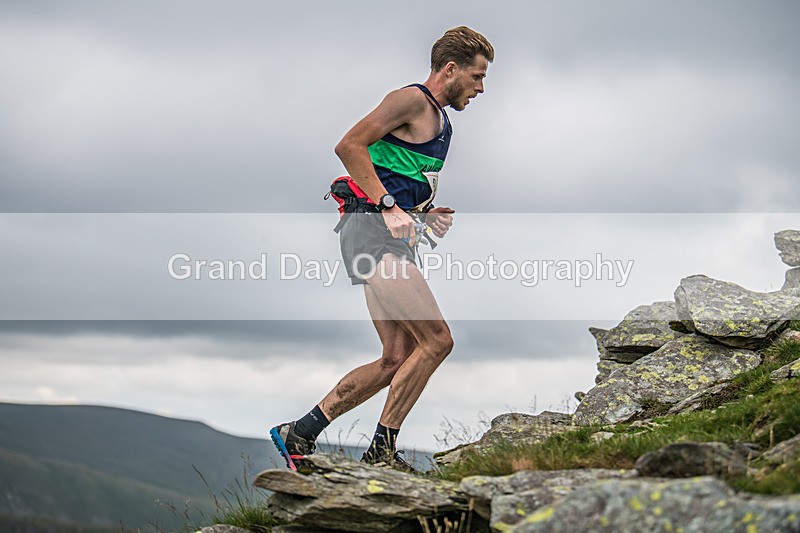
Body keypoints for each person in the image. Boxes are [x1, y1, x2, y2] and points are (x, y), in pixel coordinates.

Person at [270, 26, 494, 473]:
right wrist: (389, 206)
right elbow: (348, 146)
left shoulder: (440, 120)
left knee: (396, 358)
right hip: (372, 232)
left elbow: (394, 172)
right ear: (450, 69)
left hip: (384, 233)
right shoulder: (411, 100)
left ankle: (301, 432)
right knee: (437, 341)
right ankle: (381, 453)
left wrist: (422, 212)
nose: (481, 88)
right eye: (477, 76)